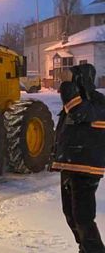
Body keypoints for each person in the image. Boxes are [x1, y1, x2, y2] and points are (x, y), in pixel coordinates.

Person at [52, 63, 105, 253]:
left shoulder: (98, 102)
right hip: (69, 165)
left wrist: (67, 85)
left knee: (83, 217)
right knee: (70, 215)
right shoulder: (77, 101)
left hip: (86, 168)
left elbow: (78, 111)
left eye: (74, 79)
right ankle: (85, 248)